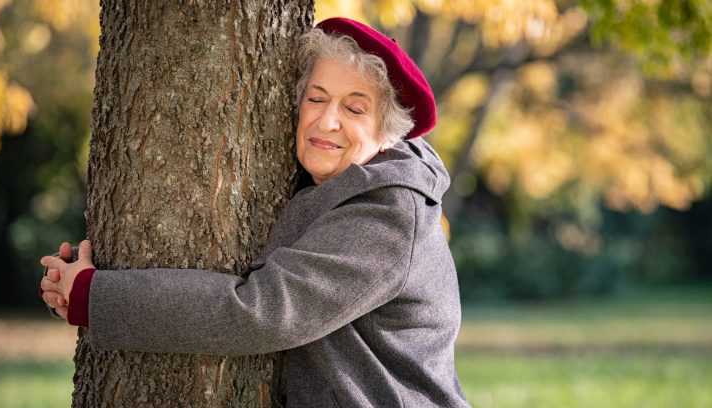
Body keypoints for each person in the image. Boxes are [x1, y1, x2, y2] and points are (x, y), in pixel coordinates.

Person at [40, 17, 470, 408]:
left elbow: (260, 312)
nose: (327, 121)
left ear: (387, 132)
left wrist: (95, 296)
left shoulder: (387, 216)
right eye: (316, 99)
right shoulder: (341, 185)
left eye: (355, 108)